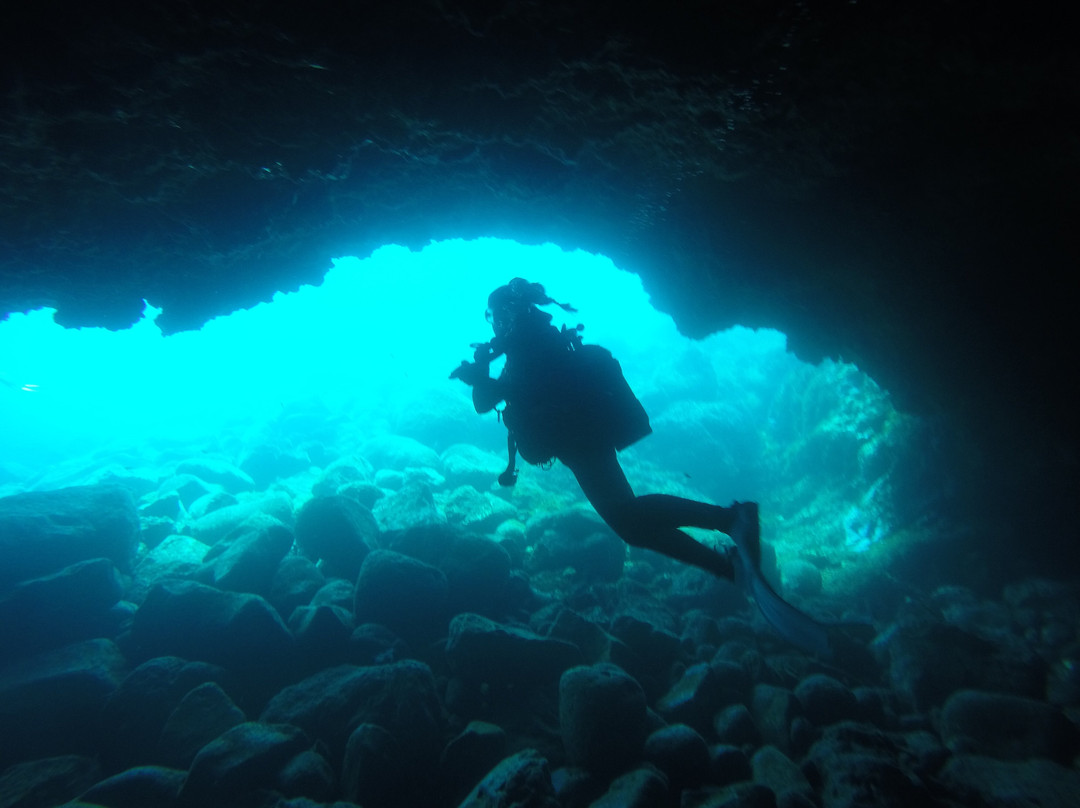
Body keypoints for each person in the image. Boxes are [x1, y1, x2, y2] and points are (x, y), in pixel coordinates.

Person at [452, 279, 835, 658]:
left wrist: (483, 372)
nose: (494, 324)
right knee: (630, 523)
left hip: (581, 439)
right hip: (578, 440)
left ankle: (732, 523)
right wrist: (486, 369)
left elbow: (498, 398)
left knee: (629, 519)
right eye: (492, 317)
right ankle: (727, 559)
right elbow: (501, 397)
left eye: (496, 315)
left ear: (510, 312)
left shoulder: (528, 342)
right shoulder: (525, 342)